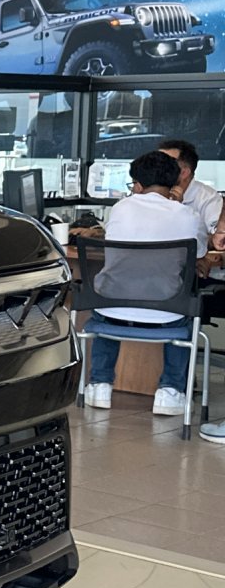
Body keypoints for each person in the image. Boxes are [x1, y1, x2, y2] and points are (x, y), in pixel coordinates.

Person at [84, 150, 209, 416]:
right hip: (165, 312)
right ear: (175, 183)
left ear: (137, 186)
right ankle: (170, 392)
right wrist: (177, 204)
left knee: (105, 316)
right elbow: (198, 254)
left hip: (111, 306)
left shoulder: (120, 208)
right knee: (187, 315)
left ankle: (99, 385)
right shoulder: (188, 216)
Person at [158, 139, 222, 235]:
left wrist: (177, 208)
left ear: (184, 173)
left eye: (165, 164)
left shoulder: (208, 198)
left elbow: (216, 237)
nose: (157, 168)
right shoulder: (148, 192)